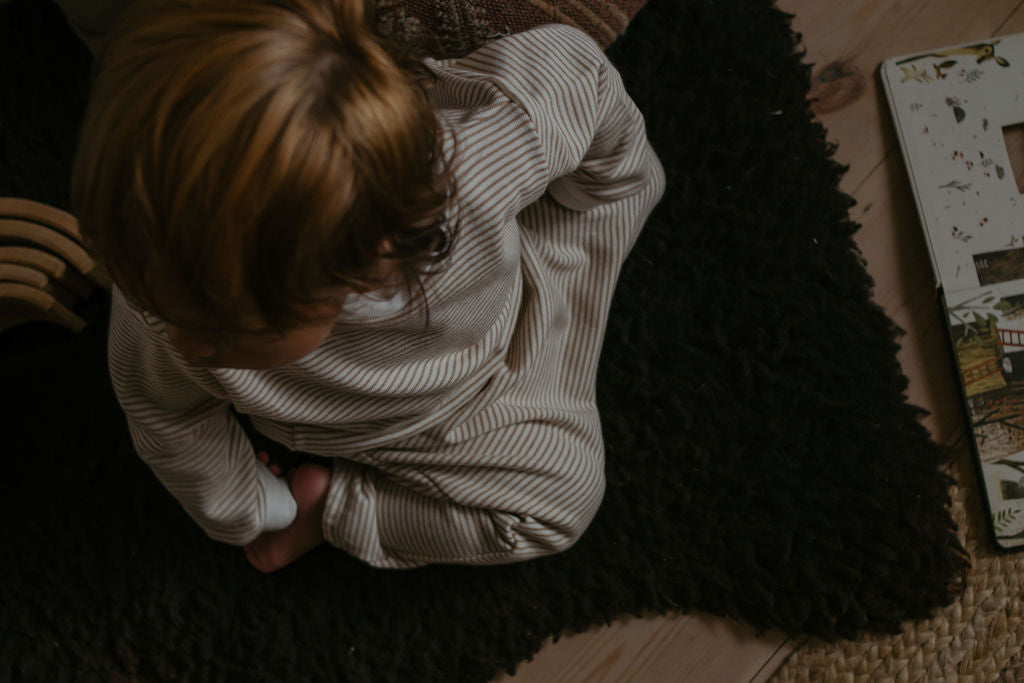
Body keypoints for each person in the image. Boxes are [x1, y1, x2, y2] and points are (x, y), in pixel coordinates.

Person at [71, 0, 665, 572]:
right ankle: (333, 508)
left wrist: (606, 178)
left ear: (363, 264)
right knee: (556, 505)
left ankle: (578, 256)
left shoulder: (471, 169)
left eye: (221, 330)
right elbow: (165, 416)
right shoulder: (162, 303)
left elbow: (574, 70)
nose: (186, 343)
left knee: (616, 200)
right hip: (423, 425)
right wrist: (247, 508)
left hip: (515, 278)